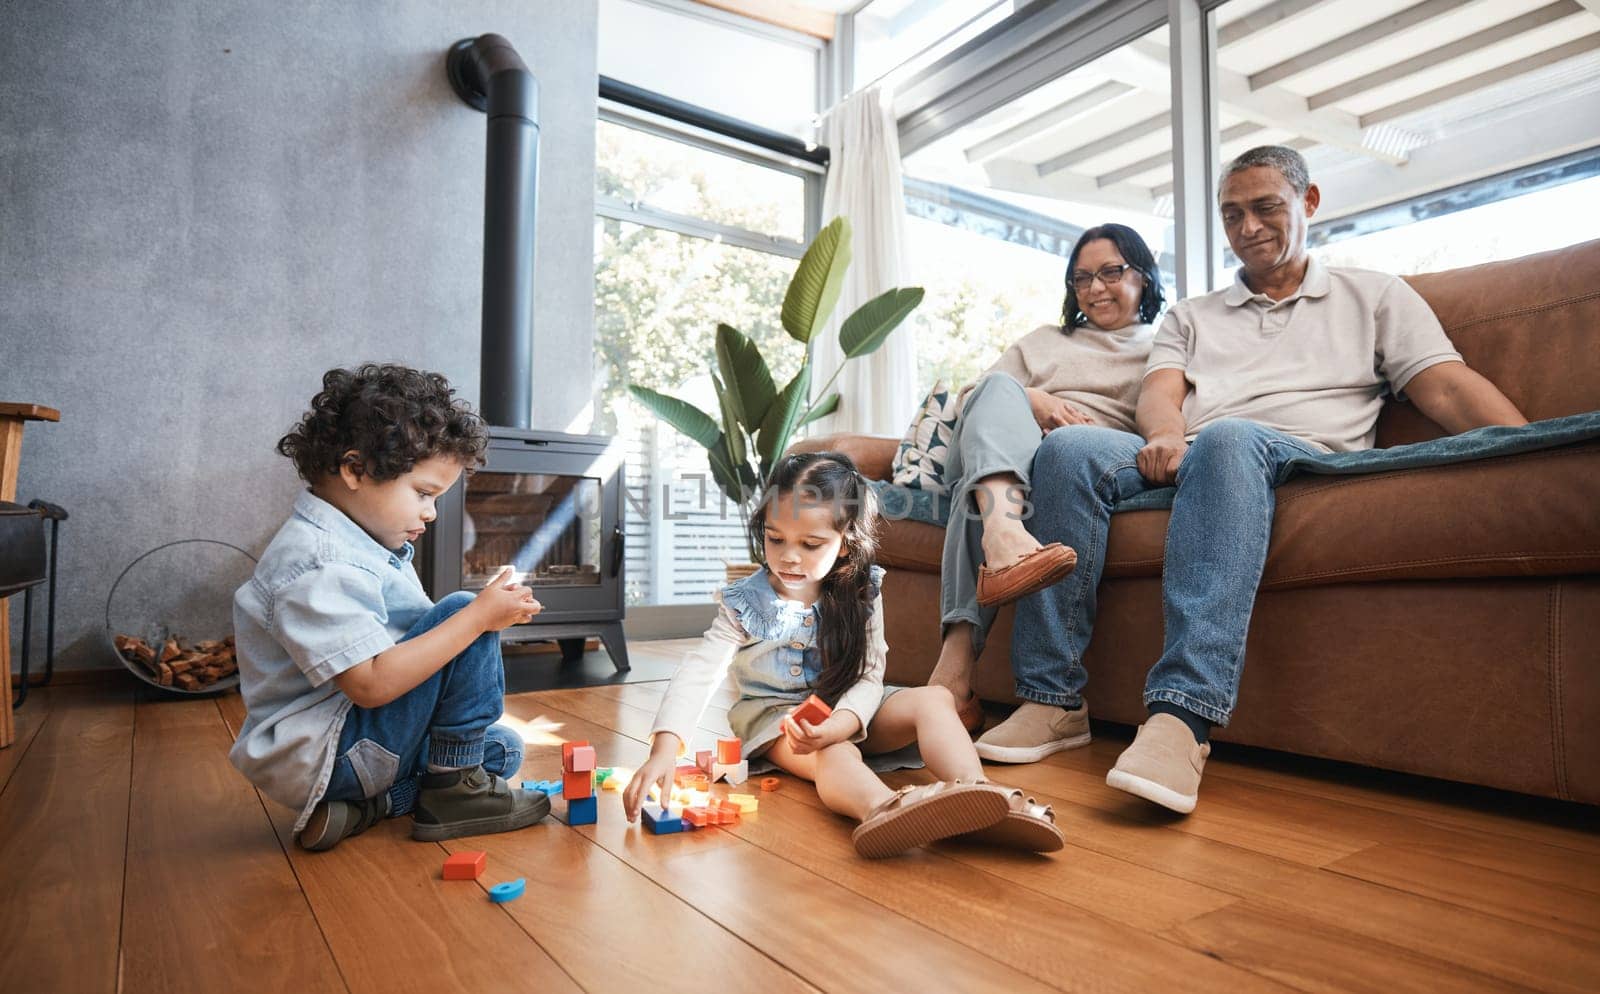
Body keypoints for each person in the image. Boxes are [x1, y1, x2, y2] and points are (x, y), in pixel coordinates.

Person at [980, 146, 1527, 811]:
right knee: (1068, 450)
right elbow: (1160, 393)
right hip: (1202, 452)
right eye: (1231, 214)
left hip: (1307, 455)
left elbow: (1446, 388)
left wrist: (1529, 452)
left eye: (1265, 207)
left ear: (1309, 202)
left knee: (1230, 437)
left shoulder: (1374, 295)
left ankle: (1182, 716)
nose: (1247, 227)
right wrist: (1165, 435)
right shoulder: (1193, 315)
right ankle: (1051, 698)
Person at [622, 452, 1062, 858]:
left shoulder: (864, 589)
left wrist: (844, 721)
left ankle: (981, 797)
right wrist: (664, 747)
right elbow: (700, 669)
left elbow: (871, 676)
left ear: (846, 542)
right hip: (781, 722)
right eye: (775, 539)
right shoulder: (744, 601)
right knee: (836, 753)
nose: (788, 557)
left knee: (935, 698)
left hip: (853, 707)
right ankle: (883, 809)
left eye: (810, 544)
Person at [230, 363, 550, 852]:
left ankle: (376, 805)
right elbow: (371, 684)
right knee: (463, 609)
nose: (431, 512)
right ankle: (452, 796)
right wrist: (478, 618)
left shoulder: (356, 543)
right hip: (334, 750)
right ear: (355, 469)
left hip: (356, 746)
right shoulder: (320, 563)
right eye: (423, 493)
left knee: (503, 749)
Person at [924, 224, 1167, 736]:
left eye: (1110, 272)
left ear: (1143, 277)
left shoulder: (1165, 344)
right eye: (1081, 278)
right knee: (996, 393)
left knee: (987, 493)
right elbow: (974, 399)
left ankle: (952, 677)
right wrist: (1035, 400)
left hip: (1074, 466)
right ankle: (1006, 528)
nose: (1096, 288)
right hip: (999, 439)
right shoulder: (1043, 341)